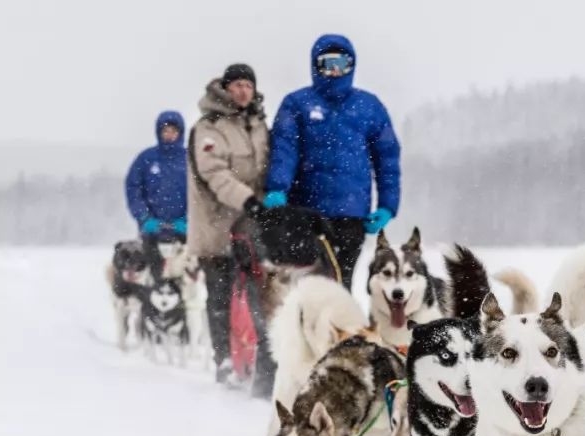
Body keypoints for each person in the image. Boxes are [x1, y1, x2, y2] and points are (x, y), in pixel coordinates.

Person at [262, 33, 401, 289]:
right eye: (328, 63)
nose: (335, 71)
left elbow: (388, 159)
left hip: (352, 213)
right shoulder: (296, 104)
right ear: (316, 65)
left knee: (341, 282)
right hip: (306, 214)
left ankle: (341, 328)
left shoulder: (369, 107)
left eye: (341, 64)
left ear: (351, 65)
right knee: (308, 283)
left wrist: (387, 206)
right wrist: (277, 189)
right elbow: (284, 150)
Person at [185, 64, 272, 393]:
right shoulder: (209, 128)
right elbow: (214, 173)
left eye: (248, 85)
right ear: (224, 88)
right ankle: (223, 357)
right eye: (236, 85)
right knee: (220, 294)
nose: (243, 91)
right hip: (217, 225)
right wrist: (248, 200)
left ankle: (253, 356)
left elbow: (267, 167)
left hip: (252, 226)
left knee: (255, 295)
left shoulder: (259, 125)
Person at [125, 111, 188, 268]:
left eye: (173, 131)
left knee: (184, 278)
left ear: (180, 133)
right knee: (152, 276)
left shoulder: (190, 159)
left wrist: (189, 219)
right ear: (159, 132)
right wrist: (144, 217)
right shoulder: (146, 158)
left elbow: (201, 193)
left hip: (185, 231)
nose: (169, 135)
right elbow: (133, 188)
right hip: (151, 230)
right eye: (165, 131)